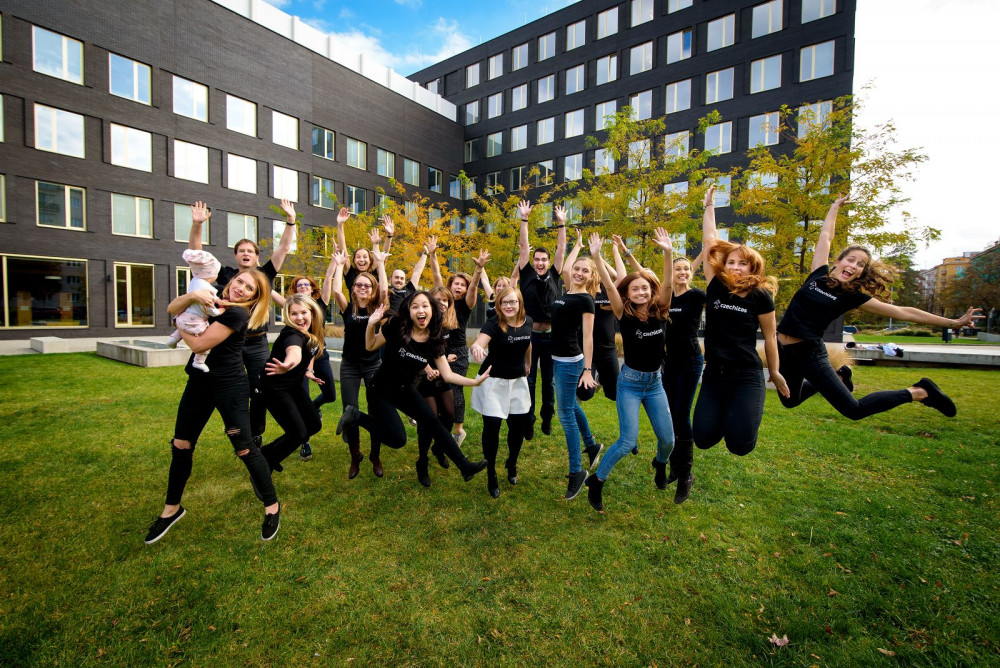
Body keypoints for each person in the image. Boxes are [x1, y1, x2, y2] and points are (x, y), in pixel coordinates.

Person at [777, 194, 982, 419]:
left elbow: (903, 312)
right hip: (784, 350)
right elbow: (826, 236)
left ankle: (919, 391)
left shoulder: (852, 296)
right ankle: (841, 376)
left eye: (860, 265)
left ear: (860, 273)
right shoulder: (817, 275)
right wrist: (834, 207)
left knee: (855, 410)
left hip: (809, 353)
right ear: (838, 261)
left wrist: (954, 322)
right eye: (851, 259)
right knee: (790, 400)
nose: (854, 265)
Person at [145, 267, 281, 543]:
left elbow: (199, 345)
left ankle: (272, 506)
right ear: (232, 280)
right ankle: (171, 509)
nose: (241, 288)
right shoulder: (212, 296)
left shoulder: (238, 314)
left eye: (249, 288)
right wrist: (192, 296)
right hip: (199, 382)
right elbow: (172, 308)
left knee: (245, 448)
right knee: (181, 444)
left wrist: (180, 323)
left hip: (229, 386)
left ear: (254, 298)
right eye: (240, 281)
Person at [336, 292, 490, 487]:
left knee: (433, 423)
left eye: (425, 305)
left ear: (432, 310)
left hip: (404, 389)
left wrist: (474, 382)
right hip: (380, 390)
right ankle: (356, 416)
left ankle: (465, 466)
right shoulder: (396, 326)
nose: (420, 310)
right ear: (409, 311)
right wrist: (371, 324)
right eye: (415, 306)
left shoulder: (434, 340)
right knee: (397, 439)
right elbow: (370, 345)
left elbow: (448, 375)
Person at [692, 185, 789, 469]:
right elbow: (710, 242)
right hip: (714, 374)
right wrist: (709, 206)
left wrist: (774, 372)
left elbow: (770, 337)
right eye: (731, 262)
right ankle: (728, 416)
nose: (735, 267)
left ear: (752, 268)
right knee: (703, 438)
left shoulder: (761, 296)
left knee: (740, 446)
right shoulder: (716, 285)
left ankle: (740, 418)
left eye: (742, 263)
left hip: (746, 374)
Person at [188, 199, 297, 444]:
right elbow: (197, 258)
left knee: (260, 387)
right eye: (242, 251)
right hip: (228, 342)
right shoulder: (226, 275)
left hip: (257, 344)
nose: (246, 253)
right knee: (230, 387)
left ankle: (255, 432)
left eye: (251, 251)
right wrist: (197, 225)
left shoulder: (264, 275)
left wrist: (290, 222)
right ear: (236, 255)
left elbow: (283, 248)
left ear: (257, 257)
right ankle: (234, 427)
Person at [584, 231, 675, 512]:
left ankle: (660, 463)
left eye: (644, 288)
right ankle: (597, 481)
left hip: (655, 384)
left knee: (668, 440)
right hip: (631, 384)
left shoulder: (661, 310)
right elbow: (610, 287)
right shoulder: (623, 314)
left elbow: (668, 283)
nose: (640, 292)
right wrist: (597, 256)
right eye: (634, 289)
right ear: (628, 294)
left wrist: (668, 253)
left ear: (651, 290)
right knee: (627, 441)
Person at [545, 220, 601, 501]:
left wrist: (588, 370)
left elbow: (588, 337)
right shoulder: (568, 291)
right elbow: (565, 268)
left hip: (570, 362)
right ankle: (591, 445)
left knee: (565, 413)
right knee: (571, 405)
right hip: (558, 359)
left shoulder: (586, 300)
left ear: (591, 276)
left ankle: (576, 470)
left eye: (584, 271)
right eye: (577, 269)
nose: (578, 273)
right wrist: (577, 246)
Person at [330, 245, 389, 478]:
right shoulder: (348, 308)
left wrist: (381, 264)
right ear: (353, 288)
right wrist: (338, 265)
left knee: (376, 411)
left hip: (373, 364)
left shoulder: (377, 307)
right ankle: (355, 457)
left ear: (372, 288)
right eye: (358, 284)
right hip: (350, 366)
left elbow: (385, 289)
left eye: (367, 285)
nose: (363, 287)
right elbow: (336, 291)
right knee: (350, 410)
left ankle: (375, 456)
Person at [469, 286, 533, 498]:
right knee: (492, 428)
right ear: (499, 304)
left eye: (513, 301)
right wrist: (477, 348)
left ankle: (512, 463)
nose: (508, 306)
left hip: (517, 383)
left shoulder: (528, 321)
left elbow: (528, 343)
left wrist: (528, 363)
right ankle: (491, 473)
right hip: (494, 383)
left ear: (519, 303)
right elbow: (480, 342)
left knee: (517, 429)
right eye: (504, 302)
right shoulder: (493, 323)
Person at [270, 267, 336, 461]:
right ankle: (304, 444)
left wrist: (335, 263)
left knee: (330, 395)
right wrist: (292, 364)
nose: (303, 287)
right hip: (298, 362)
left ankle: (313, 409)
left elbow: (328, 281)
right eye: (299, 285)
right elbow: (295, 350)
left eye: (307, 284)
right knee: (302, 403)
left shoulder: (319, 307)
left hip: (318, 356)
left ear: (312, 288)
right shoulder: (294, 320)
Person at [258, 294, 326, 473]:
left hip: (292, 385)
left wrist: (307, 370)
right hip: (274, 388)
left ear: (312, 312)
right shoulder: (292, 334)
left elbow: (308, 353)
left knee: (314, 424)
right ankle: (264, 466)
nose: (299, 318)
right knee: (297, 433)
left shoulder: (311, 333)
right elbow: (294, 352)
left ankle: (265, 453)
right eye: (293, 314)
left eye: (303, 312)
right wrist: (289, 364)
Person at [517, 200, 568, 440]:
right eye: (536, 259)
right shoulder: (526, 273)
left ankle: (547, 417)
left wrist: (561, 224)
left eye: (543, 260)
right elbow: (523, 246)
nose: (539, 263)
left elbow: (561, 249)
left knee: (549, 382)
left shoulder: (555, 275)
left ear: (548, 262)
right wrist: (524, 219)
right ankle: (528, 421)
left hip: (551, 338)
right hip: (529, 337)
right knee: (529, 380)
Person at [659, 251, 706, 504]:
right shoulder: (665, 297)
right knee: (670, 414)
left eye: (687, 269)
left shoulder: (696, 296)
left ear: (691, 273)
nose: (683, 272)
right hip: (670, 363)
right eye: (678, 269)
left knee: (682, 415)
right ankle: (675, 468)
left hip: (690, 361)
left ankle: (686, 475)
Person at [430, 242, 488, 446]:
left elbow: (474, 287)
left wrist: (478, 269)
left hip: (458, 352)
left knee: (455, 389)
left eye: (463, 285)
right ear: (450, 285)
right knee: (437, 388)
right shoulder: (441, 302)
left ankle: (458, 430)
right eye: (456, 283)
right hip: (439, 350)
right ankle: (436, 420)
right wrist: (432, 255)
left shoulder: (465, 305)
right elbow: (436, 276)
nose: (459, 287)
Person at [414, 286, 462, 481]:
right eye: (438, 299)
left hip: (442, 375)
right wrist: (427, 367)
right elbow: (414, 349)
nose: (442, 303)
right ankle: (422, 460)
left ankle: (438, 448)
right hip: (423, 376)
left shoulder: (447, 325)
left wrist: (446, 358)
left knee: (449, 414)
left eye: (445, 300)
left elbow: (442, 350)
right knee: (430, 417)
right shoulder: (422, 322)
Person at [166, 248, 222, 373]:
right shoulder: (207, 289)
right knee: (204, 337)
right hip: (195, 321)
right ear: (210, 275)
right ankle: (199, 362)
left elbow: (172, 309)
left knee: (183, 324)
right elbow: (208, 305)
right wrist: (217, 312)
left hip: (183, 316)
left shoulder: (194, 282)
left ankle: (173, 339)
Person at [335, 206, 391, 292]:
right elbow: (343, 250)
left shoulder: (375, 275)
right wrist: (340, 225)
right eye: (358, 257)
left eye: (365, 257)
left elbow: (384, 256)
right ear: (354, 261)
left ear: (370, 260)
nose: (361, 259)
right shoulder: (351, 275)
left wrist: (389, 235)